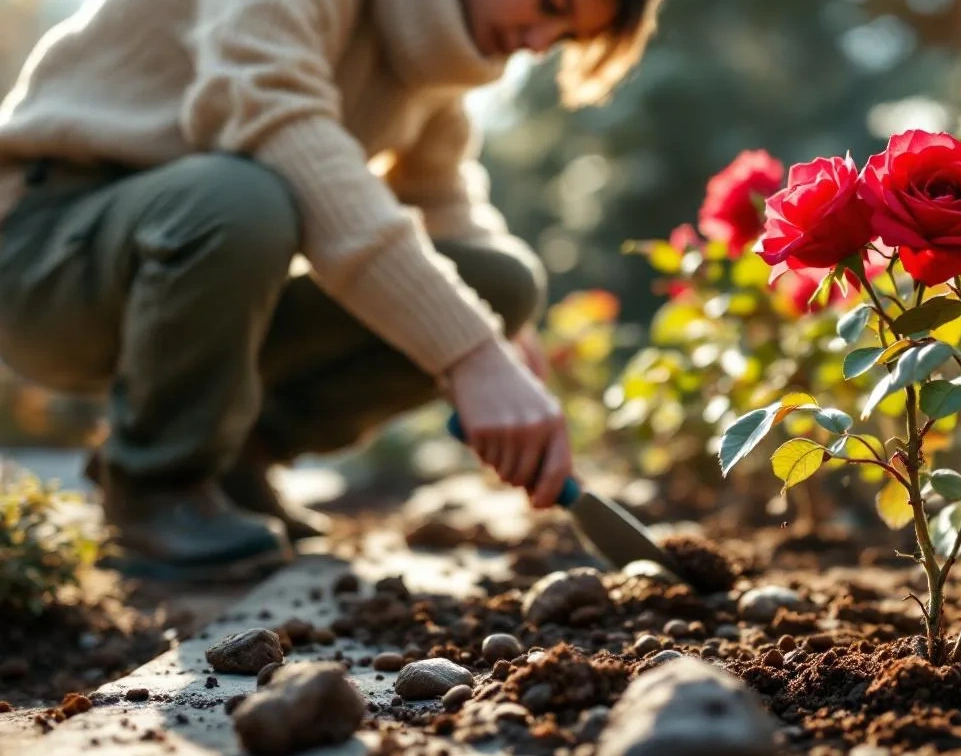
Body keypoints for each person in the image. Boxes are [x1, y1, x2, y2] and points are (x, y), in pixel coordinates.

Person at [0, 0, 662, 581]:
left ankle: (230, 458)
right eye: (550, 4)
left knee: (500, 285)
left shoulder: (430, 72)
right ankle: (153, 488)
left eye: (567, 36)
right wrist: (470, 355)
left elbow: (445, 208)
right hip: (44, 254)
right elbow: (272, 123)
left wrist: (503, 346)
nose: (541, 43)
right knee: (241, 198)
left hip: (185, 266)